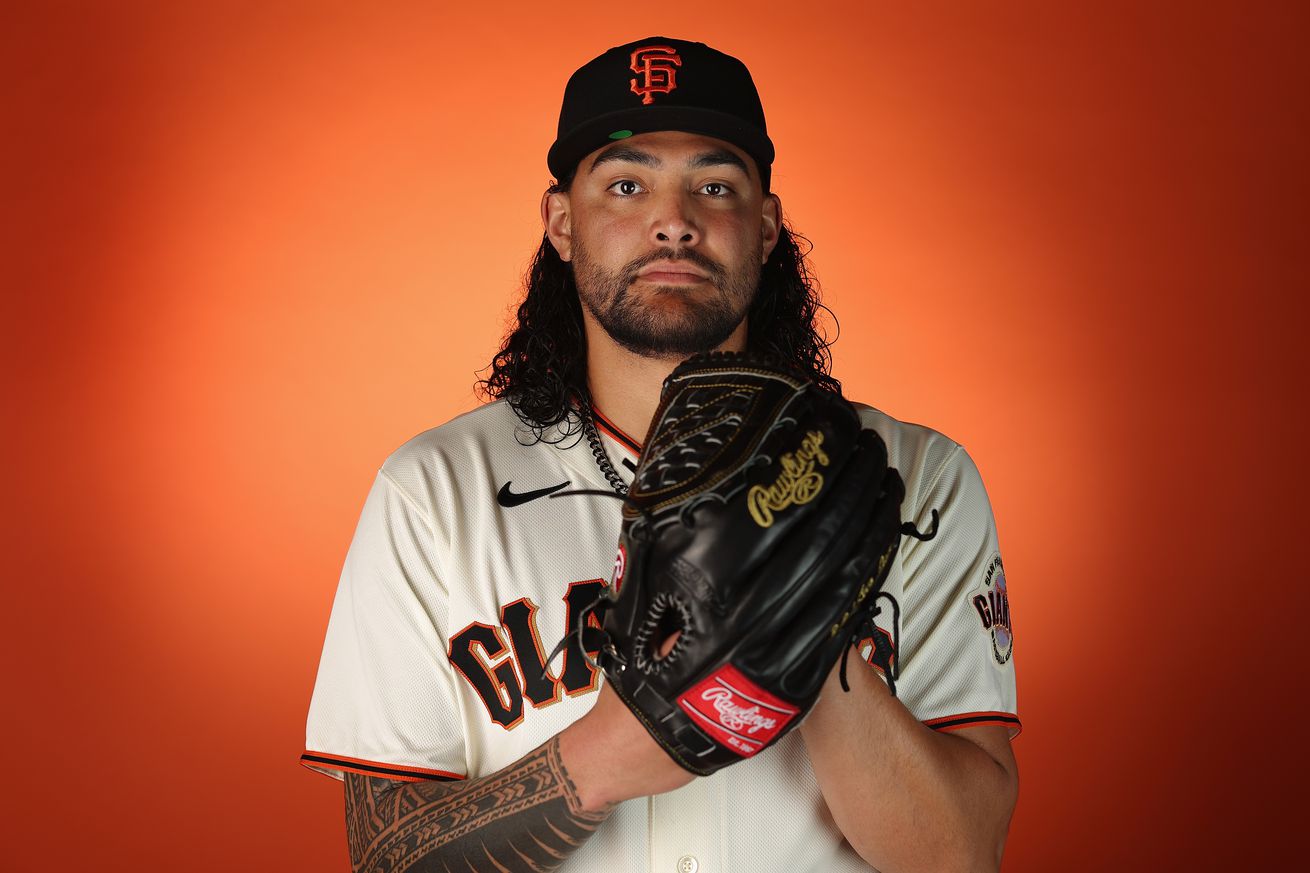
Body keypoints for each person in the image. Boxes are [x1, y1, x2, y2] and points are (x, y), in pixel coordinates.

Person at [303, 36, 1019, 873]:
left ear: (767, 228)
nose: (673, 220)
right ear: (562, 224)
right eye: (627, 184)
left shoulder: (909, 475)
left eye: (714, 186)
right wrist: (613, 751)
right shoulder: (432, 491)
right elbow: (384, 859)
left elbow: (962, 854)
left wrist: (797, 628)